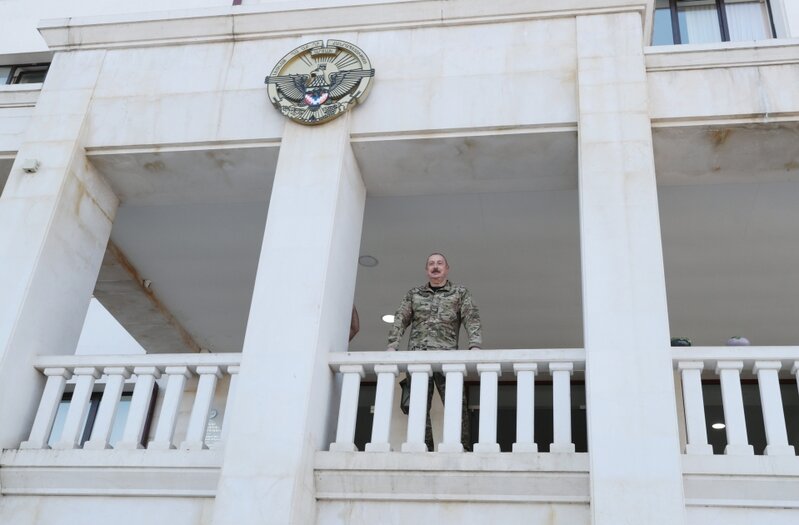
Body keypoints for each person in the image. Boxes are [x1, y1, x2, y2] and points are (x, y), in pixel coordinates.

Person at [386, 253, 482, 451]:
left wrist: (475, 344)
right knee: (417, 406)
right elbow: (400, 318)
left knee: (456, 406)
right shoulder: (414, 294)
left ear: (447, 268)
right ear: (426, 269)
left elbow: (471, 317)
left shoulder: (459, 293)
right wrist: (392, 345)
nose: (435, 267)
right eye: (431, 264)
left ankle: (462, 447)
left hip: (448, 358)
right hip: (418, 358)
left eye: (439, 263)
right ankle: (424, 448)